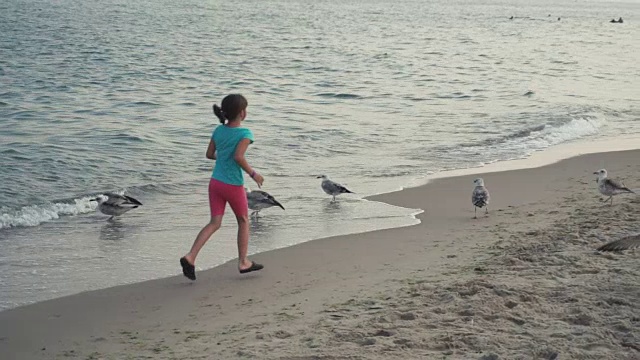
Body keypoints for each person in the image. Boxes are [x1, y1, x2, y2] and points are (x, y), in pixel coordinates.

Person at [180, 94, 265, 281]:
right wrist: (253, 174)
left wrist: (224, 156)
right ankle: (243, 262)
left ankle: (191, 256)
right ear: (242, 113)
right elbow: (239, 157)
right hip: (233, 184)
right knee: (243, 220)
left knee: (214, 223)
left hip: (215, 183)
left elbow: (210, 154)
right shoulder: (245, 134)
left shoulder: (218, 130)